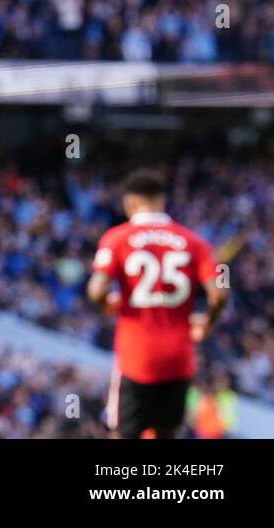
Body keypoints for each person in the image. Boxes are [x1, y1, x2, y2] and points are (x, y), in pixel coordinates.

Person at [86, 169, 227, 439]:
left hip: (135, 356)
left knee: (123, 433)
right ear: (163, 201)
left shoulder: (117, 238)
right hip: (178, 356)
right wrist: (208, 321)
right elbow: (220, 293)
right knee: (167, 433)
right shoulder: (195, 242)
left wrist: (106, 304)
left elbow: (95, 290)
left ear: (130, 204)